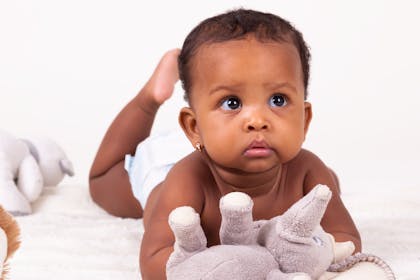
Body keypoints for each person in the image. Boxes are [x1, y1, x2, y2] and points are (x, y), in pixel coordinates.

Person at [89, 9, 361, 279]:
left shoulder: (307, 170)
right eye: (232, 102)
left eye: (278, 100)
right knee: (103, 182)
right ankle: (151, 97)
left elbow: (347, 241)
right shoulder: (186, 179)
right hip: (163, 171)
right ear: (194, 127)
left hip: (220, 140)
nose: (257, 120)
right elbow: (154, 261)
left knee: (327, 186)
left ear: (304, 120)